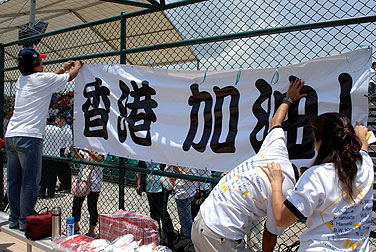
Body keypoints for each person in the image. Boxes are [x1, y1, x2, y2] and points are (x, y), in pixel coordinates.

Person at [191, 78, 307, 252]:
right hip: (220, 235)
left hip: (203, 217)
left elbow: (276, 122)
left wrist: (288, 99)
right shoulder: (287, 194)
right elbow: (269, 235)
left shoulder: (277, 152)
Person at [262, 113, 374, 252]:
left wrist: (276, 183)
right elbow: (364, 149)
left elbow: (281, 218)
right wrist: (361, 136)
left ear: (320, 141)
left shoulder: (317, 176)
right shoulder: (365, 164)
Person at [4, 47, 82, 231]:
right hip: (29, 136)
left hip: (12, 134)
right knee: (30, 181)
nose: (43, 62)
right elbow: (70, 77)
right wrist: (78, 66)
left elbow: (47, 80)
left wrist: (62, 68)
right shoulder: (42, 79)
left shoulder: (22, 79)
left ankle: (14, 218)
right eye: (40, 60)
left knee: (14, 180)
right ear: (35, 63)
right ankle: (25, 219)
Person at [71, 148, 104, 238]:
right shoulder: (84, 145)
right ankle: (75, 226)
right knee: (77, 203)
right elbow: (79, 158)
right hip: (83, 179)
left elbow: (99, 159)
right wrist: (75, 151)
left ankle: (91, 230)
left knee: (92, 205)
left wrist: (89, 151)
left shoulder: (102, 149)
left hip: (95, 180)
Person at [136, 161, 174, 238]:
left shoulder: (161, 154)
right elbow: (141, 169)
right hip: (149, 186)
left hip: (162, 185)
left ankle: (169, 232)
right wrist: (139, 184)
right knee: (153, 211)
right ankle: (156, 233)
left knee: (162, 211)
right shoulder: (144, 155)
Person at [39, 116, 61, 198]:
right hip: (55, 155)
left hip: (45, 154)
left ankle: (42, 192)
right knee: (53, 174)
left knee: (44, 174)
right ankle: (51, 192)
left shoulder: (44, 129)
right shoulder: (58, 130)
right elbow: (61, 143)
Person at [172, 165, 197, 238]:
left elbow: (192, 178)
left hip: (184, 194)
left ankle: (188, 242)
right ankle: (184, 239)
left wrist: (178, 170)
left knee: (186, 222)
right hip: (183, 193)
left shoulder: (192, 162)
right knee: (184, 221)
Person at [56, 113, 73, 192]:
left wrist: (66, 152)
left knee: (65, 170)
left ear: (62, 120)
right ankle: (62, 185)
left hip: (65, 150)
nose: (57, 122)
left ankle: (67, 186)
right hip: (59, 149)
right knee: (60, 169)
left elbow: (69, 142)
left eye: (58, 120)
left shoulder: (67, 130)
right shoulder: (60, 129)